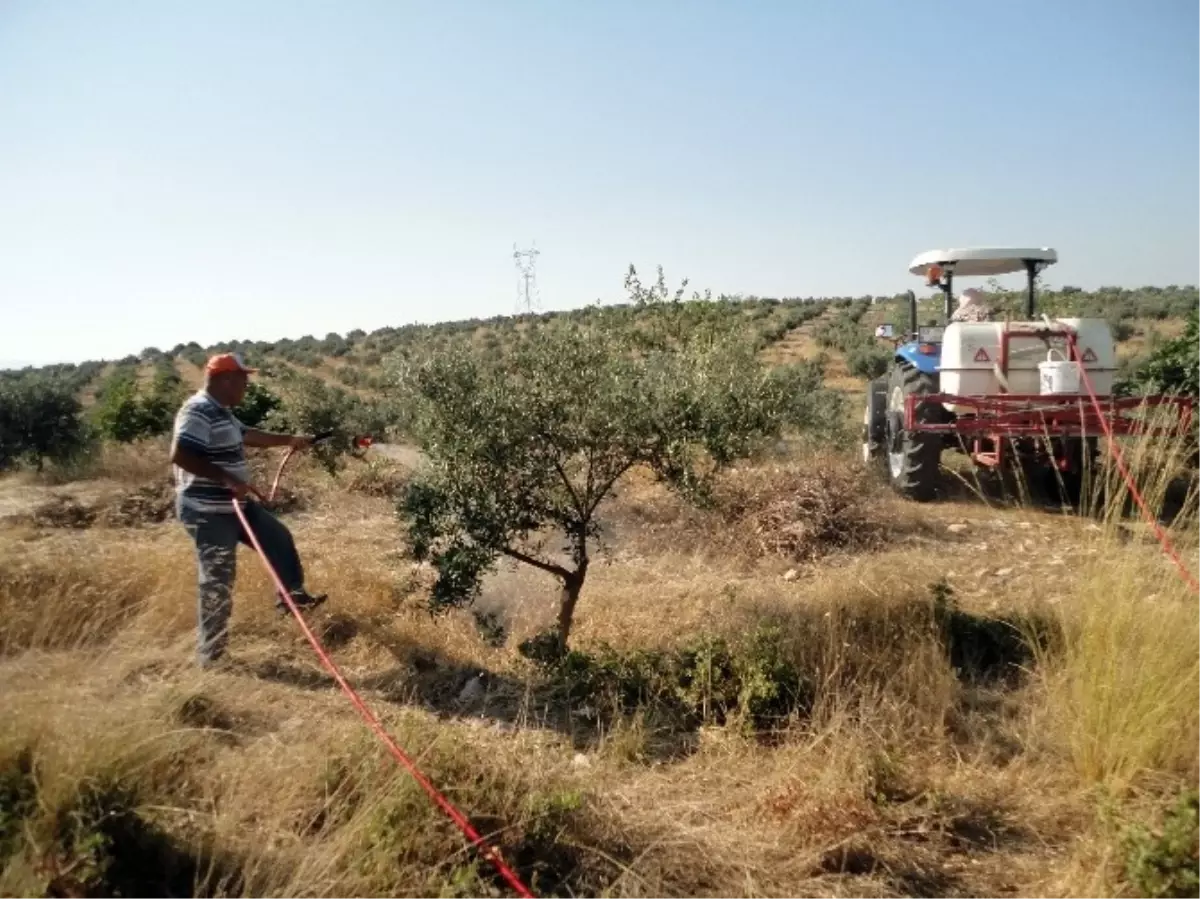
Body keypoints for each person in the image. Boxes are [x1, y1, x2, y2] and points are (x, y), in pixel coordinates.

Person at [170, 352, 328, 668]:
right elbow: (181, 454)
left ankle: (291, 597)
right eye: (243, 380)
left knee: (278, 538)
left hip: (234, 505)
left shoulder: (222, 412)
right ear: (225, 379)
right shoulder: (198, 411)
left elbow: (249, 435)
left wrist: (290, 440)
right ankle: (211, 657)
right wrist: (226, 477)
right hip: (208, 510)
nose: (246, 386)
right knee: (217, 578)